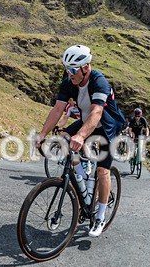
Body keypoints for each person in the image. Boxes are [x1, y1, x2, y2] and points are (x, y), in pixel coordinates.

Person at [35, 45, 125, 237]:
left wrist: (81, 135)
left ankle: (100, 216)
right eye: (67, 69)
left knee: (102, 171)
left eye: (73, 70)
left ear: (86, 67)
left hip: (107, 127)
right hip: (86, 121)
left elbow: (97, 112)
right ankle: (81, 176)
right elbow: (58, 109)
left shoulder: (99, 82)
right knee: (63, 139)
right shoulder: (69, 81)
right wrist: (42, 134)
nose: (70, 73)